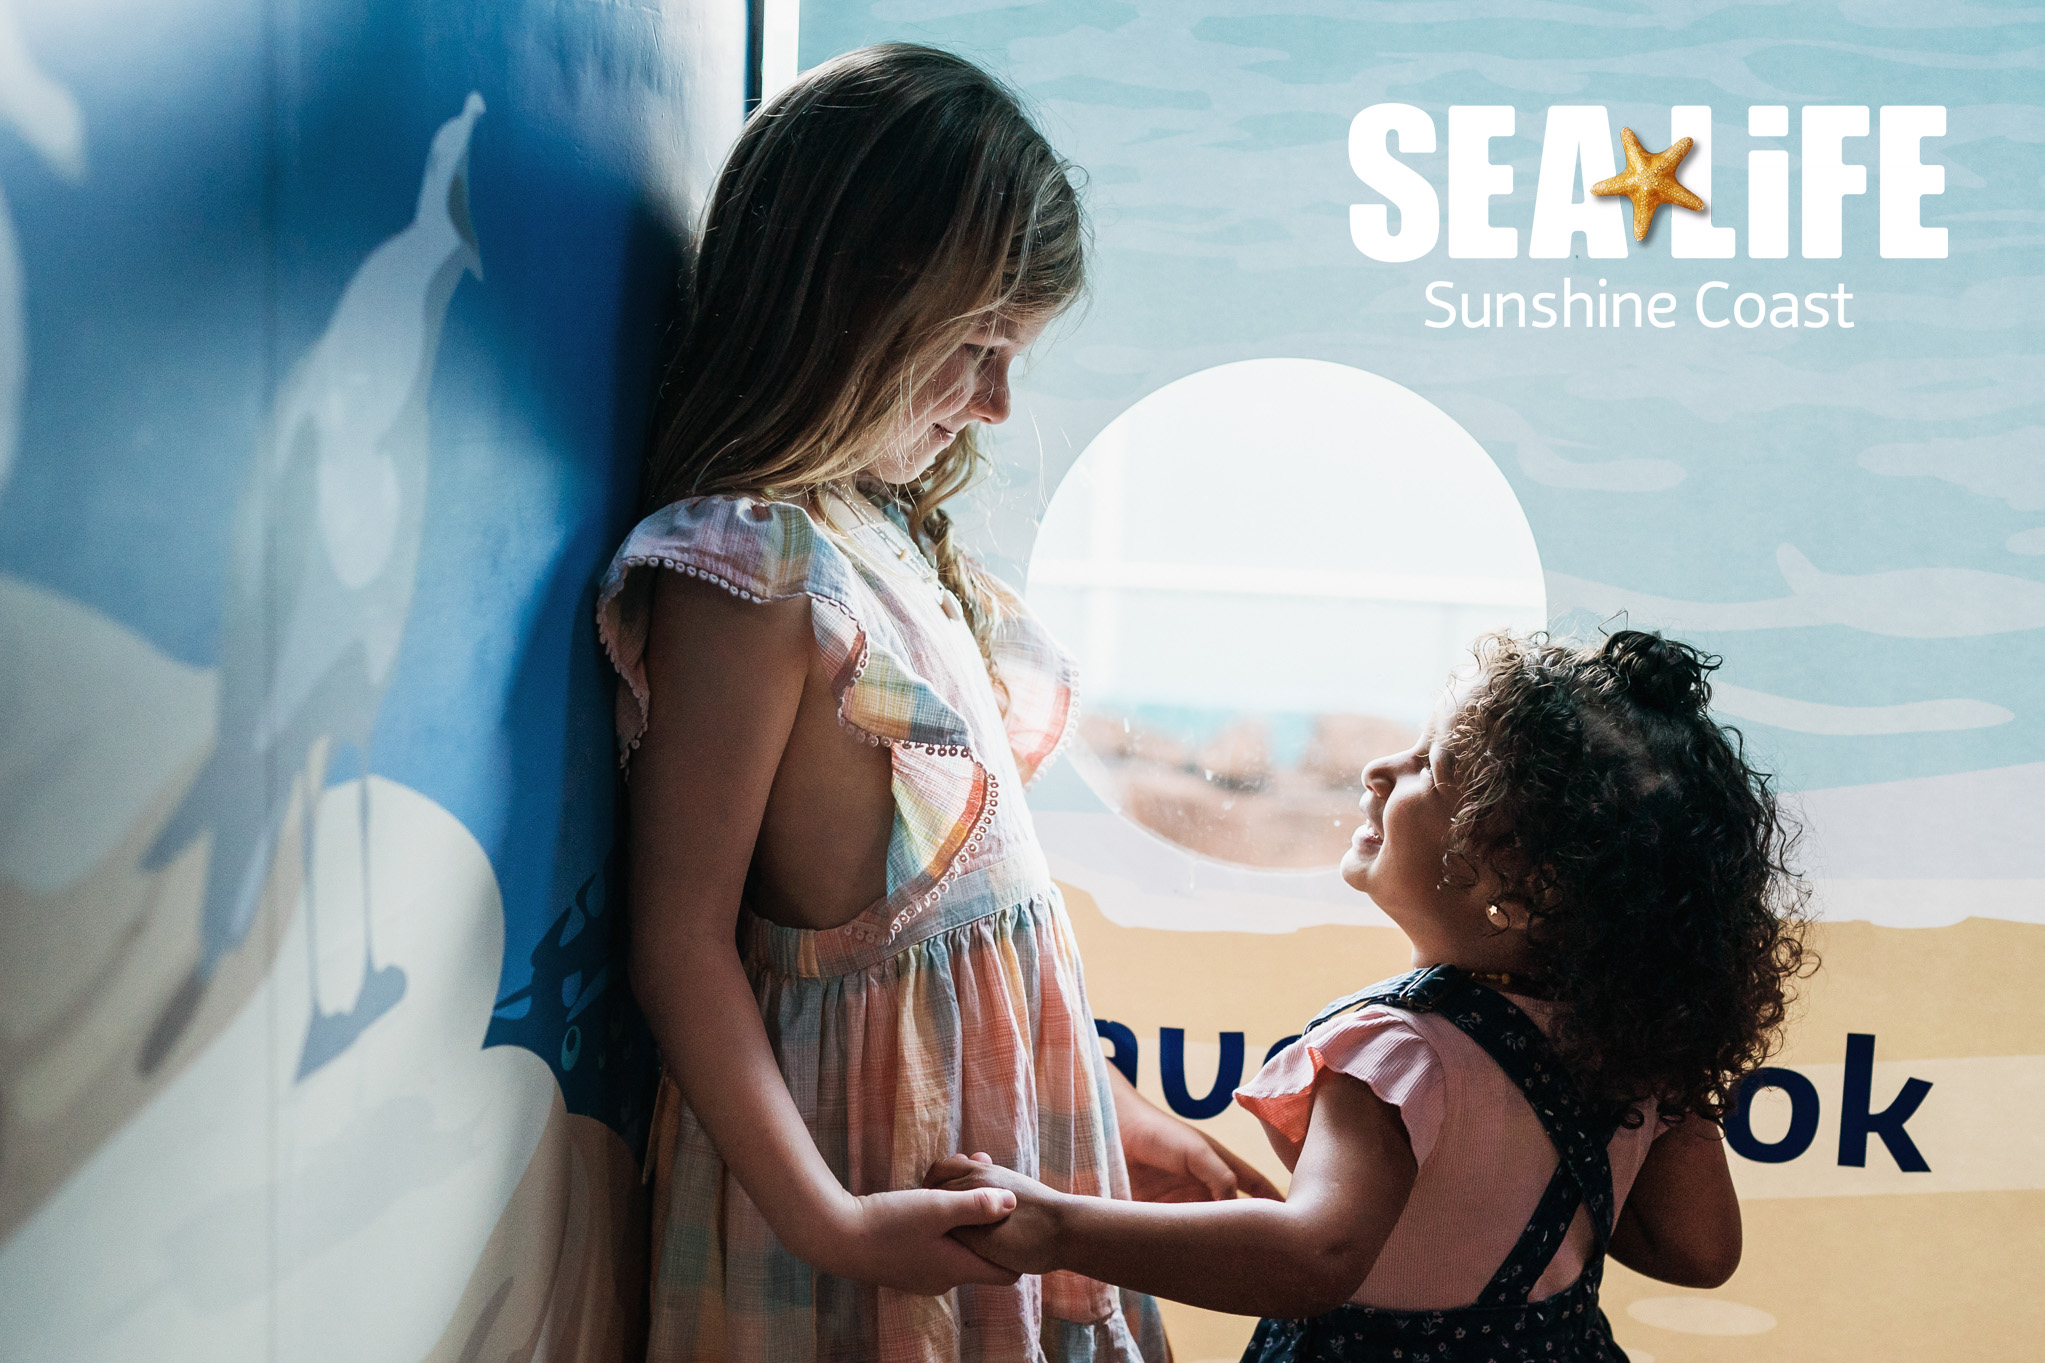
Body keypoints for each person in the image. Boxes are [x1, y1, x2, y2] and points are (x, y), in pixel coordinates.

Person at [598, 43, 1272, 1363]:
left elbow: (993, 949)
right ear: (853, 306)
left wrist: (1109, 1114)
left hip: (993, 1176)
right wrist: (835, 1222)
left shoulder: (888, 534)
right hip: (862, 1187)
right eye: (976, 347)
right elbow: (679, 942)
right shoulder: (749, 568)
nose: (1000, 402)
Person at [928, 630, 1814, 1361]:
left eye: (1434, 764)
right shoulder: (1617, 1044)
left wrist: (1057, 1227)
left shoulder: (1396, 1052)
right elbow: (1697, 1251)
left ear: (1521, 882)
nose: (1383, 766)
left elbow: (1315, 1257)